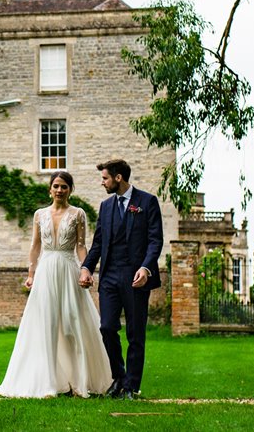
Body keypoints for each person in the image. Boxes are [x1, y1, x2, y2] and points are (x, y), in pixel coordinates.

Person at [0, 171, 111, 398]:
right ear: (50, 189)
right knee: (45, 325)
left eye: (64, 187)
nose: (60, 190)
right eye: (56, 186)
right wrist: (31, 274)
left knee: (73, 322)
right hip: (46, 271)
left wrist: (85, 269)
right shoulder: (39, 215)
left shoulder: (78, 214)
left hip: (69, 270)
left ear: (70, 190)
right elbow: (35, 247)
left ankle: (80, 381)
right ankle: (47, 382)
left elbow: (81, 246)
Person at [79, 159, 163, 400]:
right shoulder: (105, 207)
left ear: (118, 178)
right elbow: (97, 244)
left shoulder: (147, 202)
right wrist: (86, 268)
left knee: (135, 333)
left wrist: (146, 268)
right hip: (109, 276)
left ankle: (132, 386)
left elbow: (155, 240)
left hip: (136, 276)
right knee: (106, 327)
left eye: (105, 178)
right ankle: (118, 377)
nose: (102, 182)